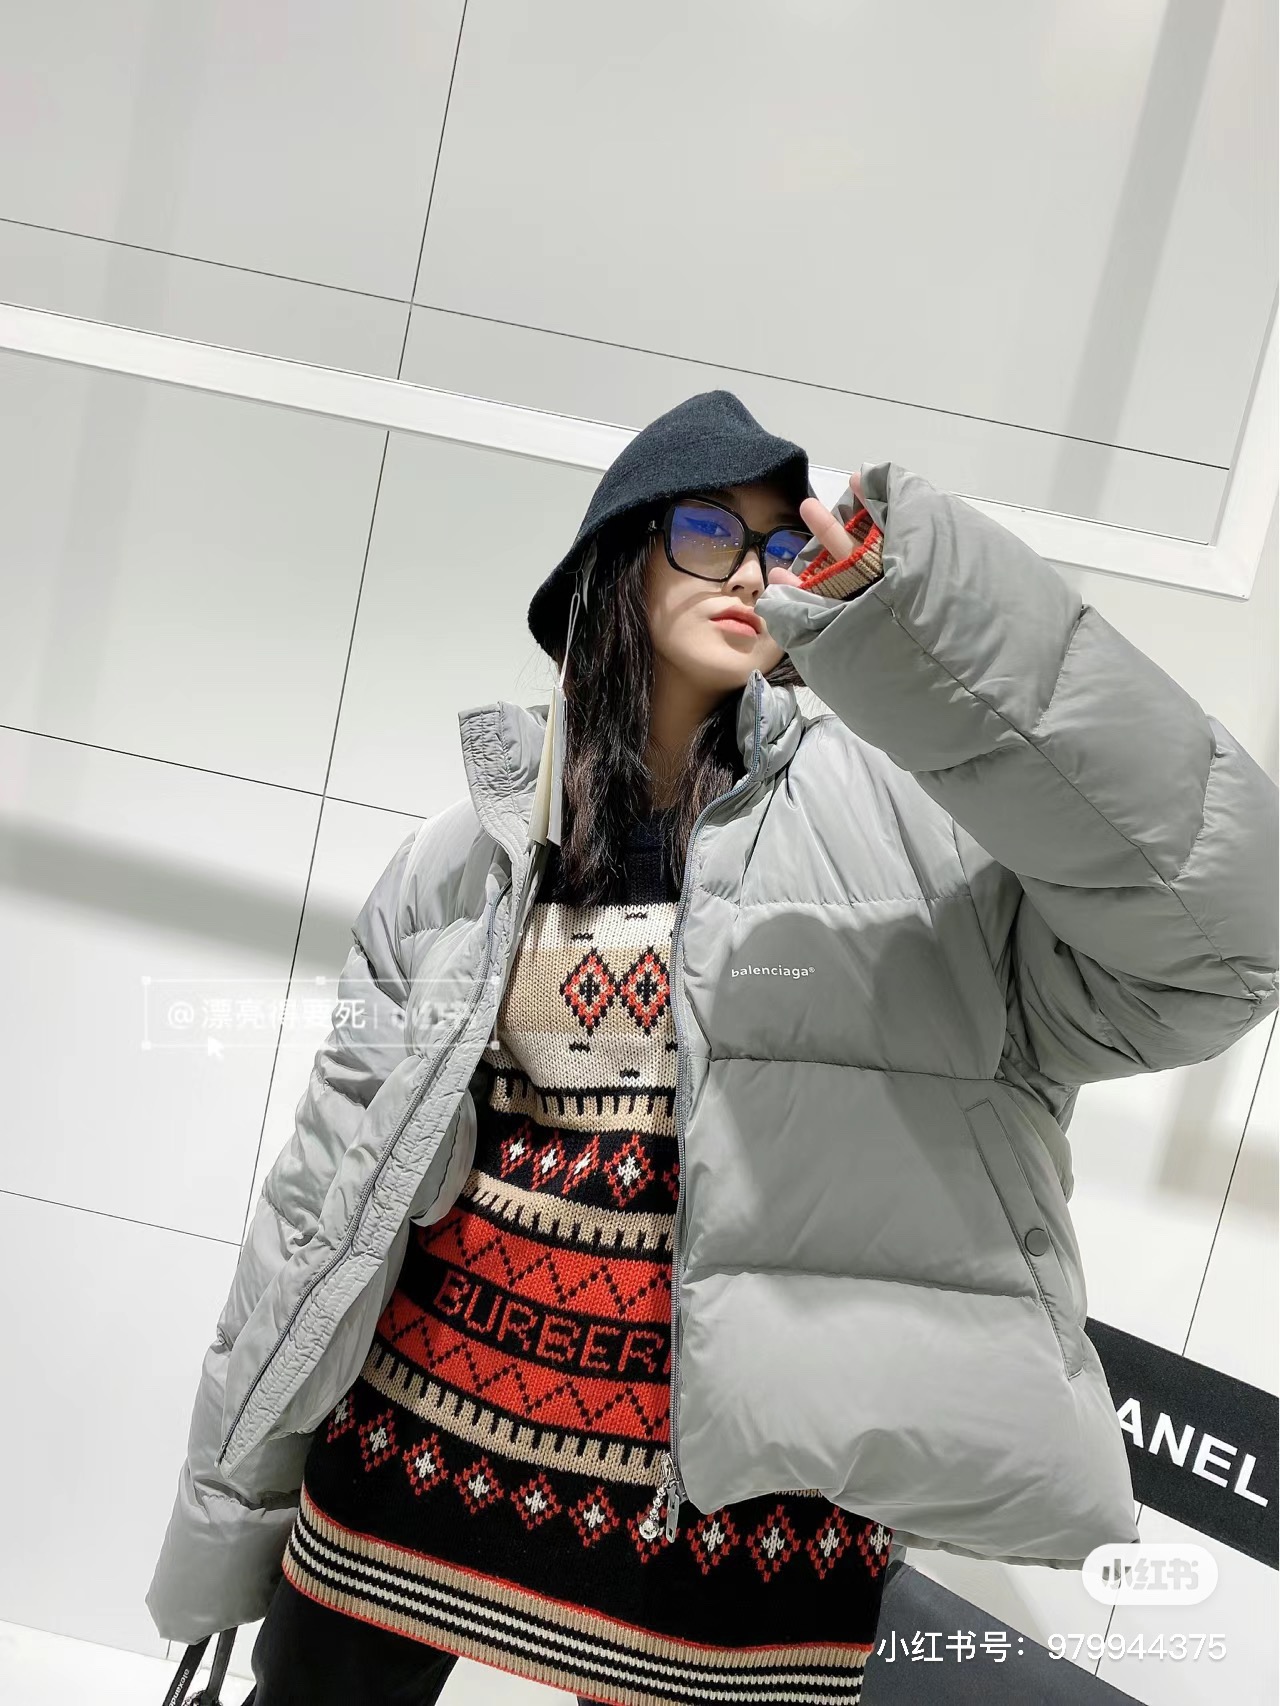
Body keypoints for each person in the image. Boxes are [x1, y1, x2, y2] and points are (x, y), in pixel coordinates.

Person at [148, 390, 1278, 1706]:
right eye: (705, 530)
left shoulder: (915, 838)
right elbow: (320, 1205)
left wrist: (925, 613)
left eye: (775, 544)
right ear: (614, 562)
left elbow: (1223, 939)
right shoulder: (468, 853)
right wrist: (230, 1510)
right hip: (407, 1465)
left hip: (733, 1551)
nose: (747, 570)